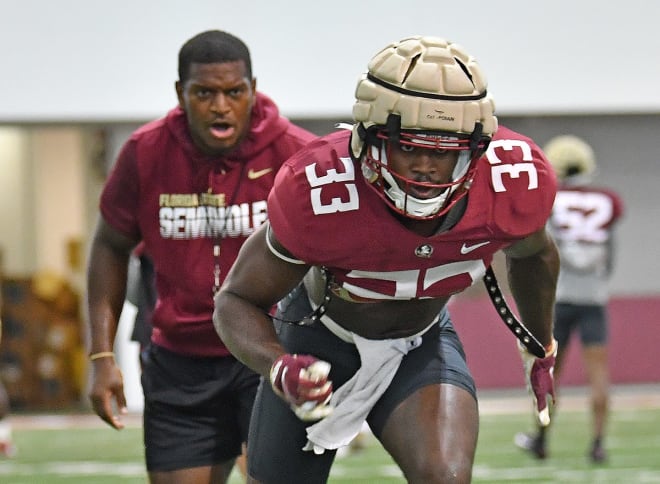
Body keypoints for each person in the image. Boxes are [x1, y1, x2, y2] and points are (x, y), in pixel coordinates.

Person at [213, 35, 560, 484]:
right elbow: (236, 300)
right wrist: (279, 365)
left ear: (476, 150)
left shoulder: (511, 180)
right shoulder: (320, 189)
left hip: (421, 342)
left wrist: (540, 343)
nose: (425, 167)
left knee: (446, 477)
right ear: (370, 138)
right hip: (320, 343)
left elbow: (535, 257)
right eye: (409, 146)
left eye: (444, 151)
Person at [86, 29, 316, 484]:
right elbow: (109, 246)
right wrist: (100, 356)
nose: (219, 106)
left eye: (234, 92)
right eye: (204, 93)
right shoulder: (145, 152)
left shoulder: (298, 155)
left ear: (253, 89)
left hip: (270, 352)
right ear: (180, 93)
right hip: (180, 361)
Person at [514, 135, 624, 463]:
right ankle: (598, 443)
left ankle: (542, 439)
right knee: (599, 375)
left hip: (558, 298)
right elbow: (610, 254)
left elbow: (539, 247)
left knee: (549, 373)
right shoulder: (606, 200)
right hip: (593, 298)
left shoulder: (552, 197)